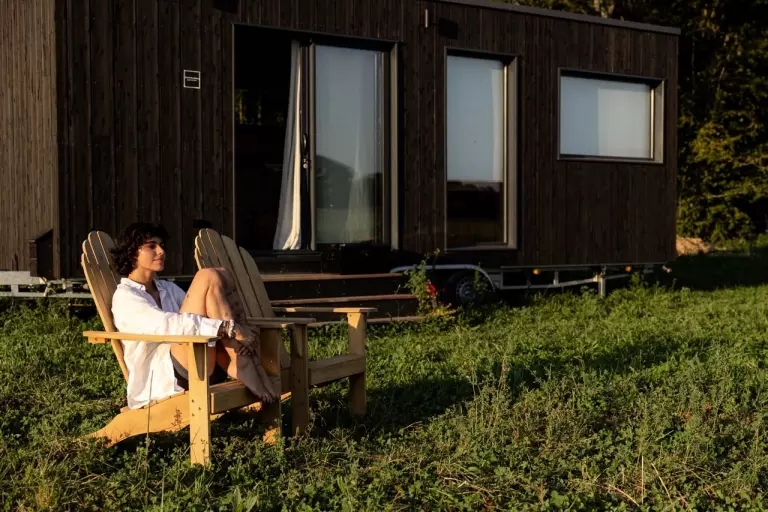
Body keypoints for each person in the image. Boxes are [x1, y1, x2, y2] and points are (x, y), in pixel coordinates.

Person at [109, 222, 278, 409]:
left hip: (203, 363)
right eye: (151, 246)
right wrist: (229, 328)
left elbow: (203, 313)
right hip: (165, 376)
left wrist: (231, 328)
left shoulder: (168, 288)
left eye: (161, 245)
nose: (161, 251)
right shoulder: (126, 297)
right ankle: (246, 366)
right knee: (206, 276)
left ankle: (244, 362)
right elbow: (168, 325)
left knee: (221, 276)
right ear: (132, 252)